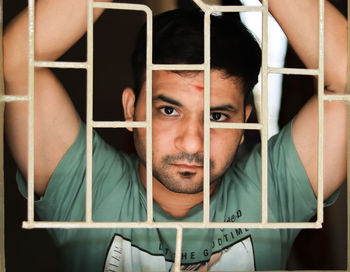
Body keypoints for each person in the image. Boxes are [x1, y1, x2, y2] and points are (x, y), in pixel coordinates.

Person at [3, 0, 347, 271]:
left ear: (244, 123)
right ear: (130, 109)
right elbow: (16, 59)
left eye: (216, 116)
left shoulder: (274, 191)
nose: (193, 143)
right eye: (169, 110)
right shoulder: (83, 187)